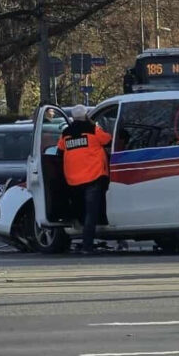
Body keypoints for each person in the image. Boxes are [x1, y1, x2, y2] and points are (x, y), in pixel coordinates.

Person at [56, 104, 112, 255]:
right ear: (87, 116)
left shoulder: (66, 133)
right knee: (91, 213)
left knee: (81, 211)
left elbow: (59, 151)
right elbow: (107, 140)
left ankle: (82, 241)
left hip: (73, 179)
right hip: (93, 176)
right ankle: (87, 245)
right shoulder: (93, 129)